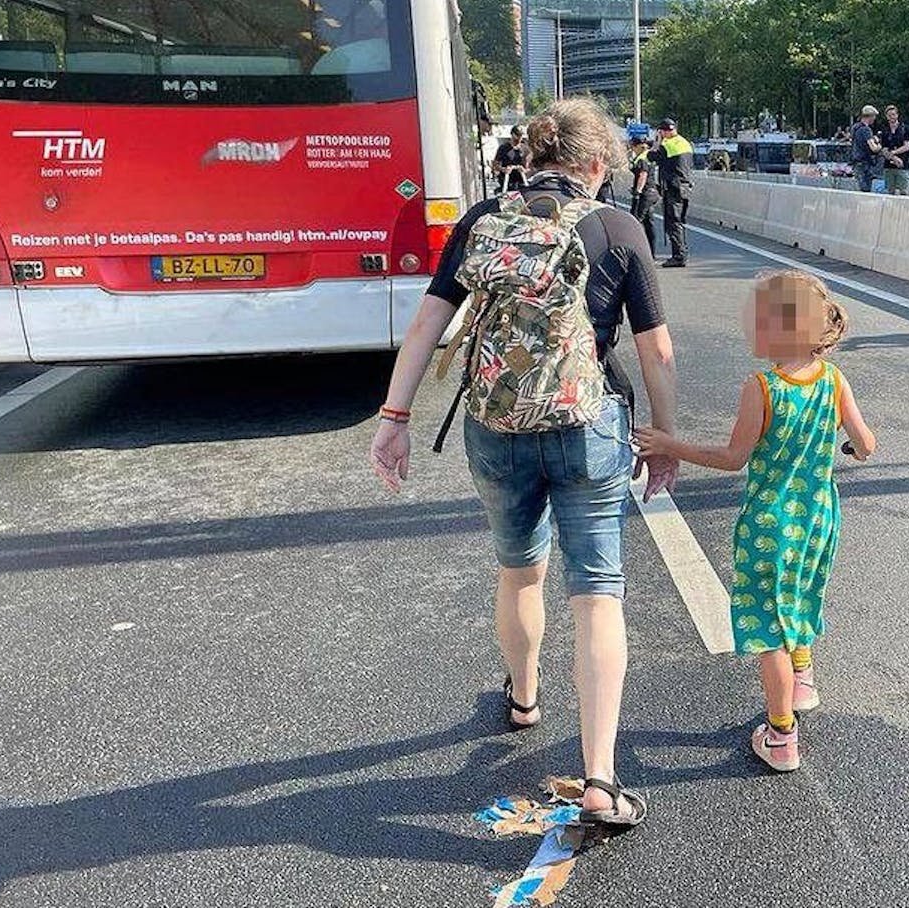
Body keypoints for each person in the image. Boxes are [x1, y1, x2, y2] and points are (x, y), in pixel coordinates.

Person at [368, 97, 679, 829]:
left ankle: (524, 695)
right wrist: (664, 437)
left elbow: (426, 323)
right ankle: (600, 778)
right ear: (597, 164)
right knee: (598, 590)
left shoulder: (483, 221)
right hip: (588, 425)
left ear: (531, 158)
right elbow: (655, 349)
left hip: (496, 427)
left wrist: (395, 417)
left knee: (520, 569)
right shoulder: (617, 227)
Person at [633, 271, 876, 772]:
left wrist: (668, 444)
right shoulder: (833, 379)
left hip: (769, 522)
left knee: (767, 626)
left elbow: (732, 458)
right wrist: (843, 447)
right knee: (801, 596)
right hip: (818, 516)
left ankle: (782, 734)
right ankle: (804, 678)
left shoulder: (763, 388)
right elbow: (867, 446)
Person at [649, 117, 693, 268]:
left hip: (673, 188)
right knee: (679, 222)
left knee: (673, 223)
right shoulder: (685, 143)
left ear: (663, 131)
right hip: (685, 187)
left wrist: (657, 142)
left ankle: (679, 256)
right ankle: (682, 253)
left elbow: (651, 156)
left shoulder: (667, 145)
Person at [628, 135, 659, 256]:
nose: (632, 149)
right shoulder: (648, 155)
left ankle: (636, 251)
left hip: (645, 193)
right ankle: (651, 252)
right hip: (652, 192)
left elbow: (643, 175)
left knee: (635, 221)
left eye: (632, 146)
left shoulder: (642, 158)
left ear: (637, 146)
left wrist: (638, 190)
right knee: (649, 223)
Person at [879, 104, 909, 195]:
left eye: (893, 114)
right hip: (889, 165)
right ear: (886, 117)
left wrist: (893, 152)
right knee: (890, 191)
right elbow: (884, 149)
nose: (892, 117)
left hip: (902, 164)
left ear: (897, 115)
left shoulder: (905, 129)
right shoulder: (885, 130)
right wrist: (894, 157)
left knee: (904, 191)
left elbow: (906, 146)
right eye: (889, 115)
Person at [850, 104, 884, 193]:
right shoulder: (866, 130)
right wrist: (880, 145)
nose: (874, 119)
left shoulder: (855, 127)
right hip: (864, 164)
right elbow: (873, 148)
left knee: (860, 189)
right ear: (870, 116)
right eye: (874, 116)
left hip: (856, 162)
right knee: (866, 191)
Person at [492, 124, 526, 193]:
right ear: (512, 134)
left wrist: (523, 170)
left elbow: (530, 167)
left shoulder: (525, 148)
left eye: (521, 135)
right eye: (517, 135)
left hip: (521, 182)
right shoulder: (503, 148)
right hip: (506, 183)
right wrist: (504, 169)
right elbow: (495, 165)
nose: (519, 138)